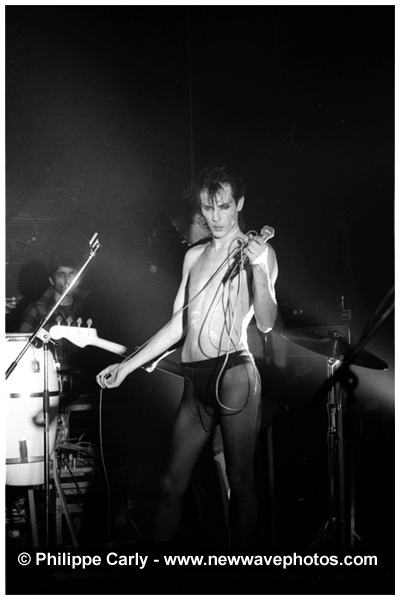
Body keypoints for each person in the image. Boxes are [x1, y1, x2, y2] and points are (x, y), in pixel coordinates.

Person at [97, 166, 279, 546]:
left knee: (241, 479)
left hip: (234, 374)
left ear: (239, 204)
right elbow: (176, 326)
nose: (216, 217)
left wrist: (260, 267)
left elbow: (265, 323)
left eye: (224, 207)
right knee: (171, 483)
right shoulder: (193, 256)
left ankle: (244, 571)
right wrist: (127, 367)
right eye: (208, 208)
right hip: (195, 381)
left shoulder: (258, 251)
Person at [19, 251, 90, 372]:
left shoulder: (90, 305)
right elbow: (23, 354)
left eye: (72, 274)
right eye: (61, 274)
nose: (67, 280)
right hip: (53, 381)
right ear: (51, 280)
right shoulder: (36, 311)